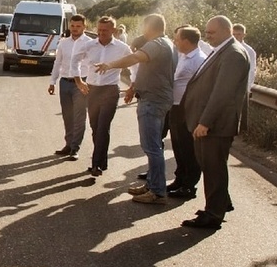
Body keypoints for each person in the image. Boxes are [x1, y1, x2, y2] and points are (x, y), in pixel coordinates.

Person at [178, 15, 251, 230]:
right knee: (210, 166)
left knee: (213, 167)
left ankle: (213, 214)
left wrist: (205, 122)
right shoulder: (222, 49)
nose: (207, 36)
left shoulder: (233, 54)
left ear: (226, 30)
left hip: (215, 125)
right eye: (207, 32)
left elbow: (222, 93)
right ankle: (220, 202)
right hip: (209, 122)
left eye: (211, 32)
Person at [94, 13, 176, 203]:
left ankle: (156, 192)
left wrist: (110, 65)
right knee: (154, 145)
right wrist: (134, 87)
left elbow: (135, 58)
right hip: (157, 98)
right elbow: (150, 70)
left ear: (149, 27)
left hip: (153, 100)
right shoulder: (167, 43)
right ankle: (152, 184)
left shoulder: (156, 44)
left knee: (152, 147)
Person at [75, 16, 132, 177]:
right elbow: (74, 61)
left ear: (113, 31)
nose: (101, 33)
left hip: (110, 90)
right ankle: (101, 161)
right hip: (92, 90)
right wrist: (79, 80)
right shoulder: (89, 45)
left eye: (105, 30)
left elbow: (135, 65)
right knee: (95, 127)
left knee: (103, 127)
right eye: (99, 30)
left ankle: (95, 164)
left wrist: (132, 86)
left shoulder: (122, 48)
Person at [161, 26, 205, 200]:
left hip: (188, 109)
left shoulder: (199, 60)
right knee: (178, 147)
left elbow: (202, 88)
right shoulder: (183, 57)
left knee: (188, 150)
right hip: (176, 107)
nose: (175, 42)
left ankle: (189, 186)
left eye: (177, 39)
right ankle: (179, 180)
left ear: (187, 41)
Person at [48, 14, 93, 160]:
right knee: (67, 116)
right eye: (72, 26)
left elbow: (93, 64)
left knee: (79, 116)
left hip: (81, 83)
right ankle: (68, 144)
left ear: (84, 27)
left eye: (78, 26)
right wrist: (52, 81)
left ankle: (75, 148)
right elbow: (57, 62)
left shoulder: (90, 43)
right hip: (65, 83)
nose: (74, 29)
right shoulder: (63, 43)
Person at [232, 22, 258, 132]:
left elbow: (252, 70)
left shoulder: (249, 50)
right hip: (230, 85)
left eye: (239, 34)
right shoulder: (229, 48)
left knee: (240, 113)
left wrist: (248, 87)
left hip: (242, 85)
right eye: (234, 34)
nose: (237, 37)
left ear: (244, 35)